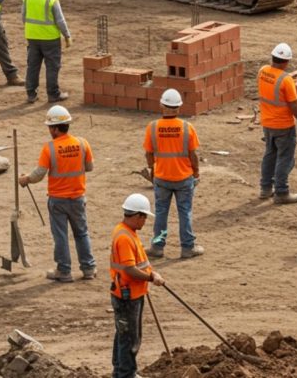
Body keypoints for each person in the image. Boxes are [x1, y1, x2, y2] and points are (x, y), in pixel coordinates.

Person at [18, 105, 96, 282]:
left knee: (61, 235)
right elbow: (89, 167)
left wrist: (26, 179)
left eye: (49, 127)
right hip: (77, 197)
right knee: (82, 233)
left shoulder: (50, 148)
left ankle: (64, 271)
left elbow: (39, 174)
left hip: (58, 200)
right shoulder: (82, 143)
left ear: (54, 128)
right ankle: (88, 268)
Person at [143, 88, 202, 259]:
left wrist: (153, 169)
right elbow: (193, 155)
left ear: (162, 105)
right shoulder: (187, 127)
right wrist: (196, 173)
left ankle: (158, 246)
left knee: (161, 212)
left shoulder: (152, 127)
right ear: (178, 108)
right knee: (185, 212)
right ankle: (187, 247)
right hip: (183, 178)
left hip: (162, 177)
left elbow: (148, 154)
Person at [110, 193, 164, 378]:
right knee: (129, 338)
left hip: (131, 292)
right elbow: (130, 270)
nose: (145, 222)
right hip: (128, 295)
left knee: (123, 335)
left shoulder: (125, 231)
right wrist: (150, 277)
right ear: (138, 215)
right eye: (145, 217)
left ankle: (120, 372)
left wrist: (150, 275)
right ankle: (126, 374)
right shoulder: (125, 237)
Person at [258, 42, 297, 204]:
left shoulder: (262, 71)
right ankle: (282, 192)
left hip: (267, 123)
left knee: (270, 154)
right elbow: (293, 104)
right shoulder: (286, 80)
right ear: (286, 62)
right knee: (285, 158)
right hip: (283, 126)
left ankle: (265, 189)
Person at [22, 0, 71, 104]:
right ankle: (53, 94)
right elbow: (60, 21)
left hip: (32, 38)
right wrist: (67, 36)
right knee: (52, 67)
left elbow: (23, 16)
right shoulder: (52, 0)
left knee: (33, 66)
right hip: (50, 39)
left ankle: (31, 94)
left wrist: (32, 30)